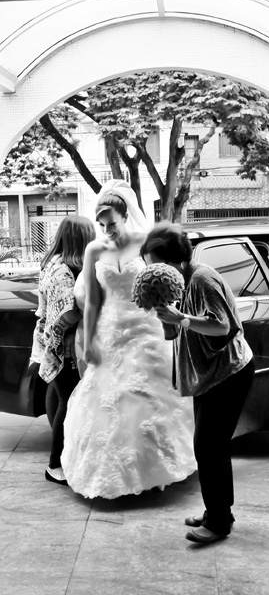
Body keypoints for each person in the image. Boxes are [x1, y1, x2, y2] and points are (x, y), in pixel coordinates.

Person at [60, 180, 196, 499]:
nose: (107, 231)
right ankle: (116, 474)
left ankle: (153, 469)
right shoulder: (94, 250)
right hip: (111, 329)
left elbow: (163, 281)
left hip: (145, 327)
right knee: (109, 398)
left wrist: (168, 314)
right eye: (102, 225)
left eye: (112, 224)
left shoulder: (144, 244)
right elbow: (92, 301)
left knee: (145, 394)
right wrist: (89, 341)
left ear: (125, 217)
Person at [141, 221, 255, 545]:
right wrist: (168, 317)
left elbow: (223, 326)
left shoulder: (203, 278)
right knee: (210, 447)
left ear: (176, 260)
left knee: (208, 446)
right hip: (208, 375)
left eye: (157, 266)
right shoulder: (179, 283)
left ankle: (218, 522)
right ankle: (218, 513)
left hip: (229, 372)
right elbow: (176, 332)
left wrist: (182, 319)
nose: (153, 273)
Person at [31, 215, 96, 486]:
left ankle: (63, 460)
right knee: (67, 404)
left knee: (62, 400)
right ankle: (54, 465)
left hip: (54, 343)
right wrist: (91, 312)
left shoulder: (53, 263)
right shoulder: (62, 272)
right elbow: (67, 313)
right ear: (81, 239)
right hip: (61, 347)